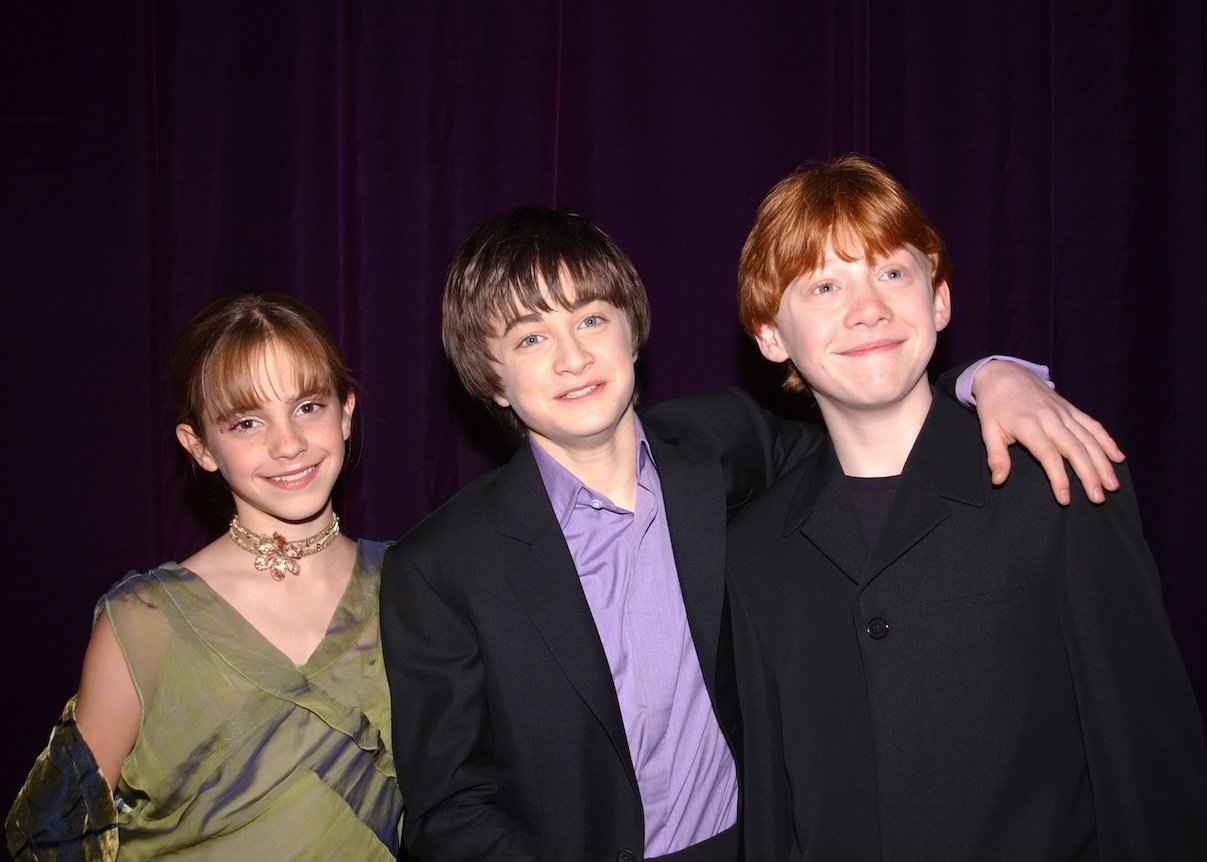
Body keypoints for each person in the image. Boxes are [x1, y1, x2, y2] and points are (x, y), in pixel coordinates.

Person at [379, 205, 1122, 862]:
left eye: (590, 319)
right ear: (492, 376)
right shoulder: (440, 567)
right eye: (530, 338)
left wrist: (988, 377)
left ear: (631, 332)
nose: (573, 356)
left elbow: (874, 418)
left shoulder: (723, 445)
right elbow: (450, 810)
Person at [728, 155, 1207, 861]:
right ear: (771, 336)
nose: (868, 308)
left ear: (939, 299)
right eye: (825, 285)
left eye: (891, 273)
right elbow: (772, 810)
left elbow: (1148, 770)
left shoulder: (1057, 484)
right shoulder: (756, 549)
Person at [6, 293, 404, 860]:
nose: (287, 443)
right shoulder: (144, 623)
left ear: (345, 413)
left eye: (308, 407)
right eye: (246, 421)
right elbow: (58, 835)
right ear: (200, 448)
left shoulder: (414, 586)